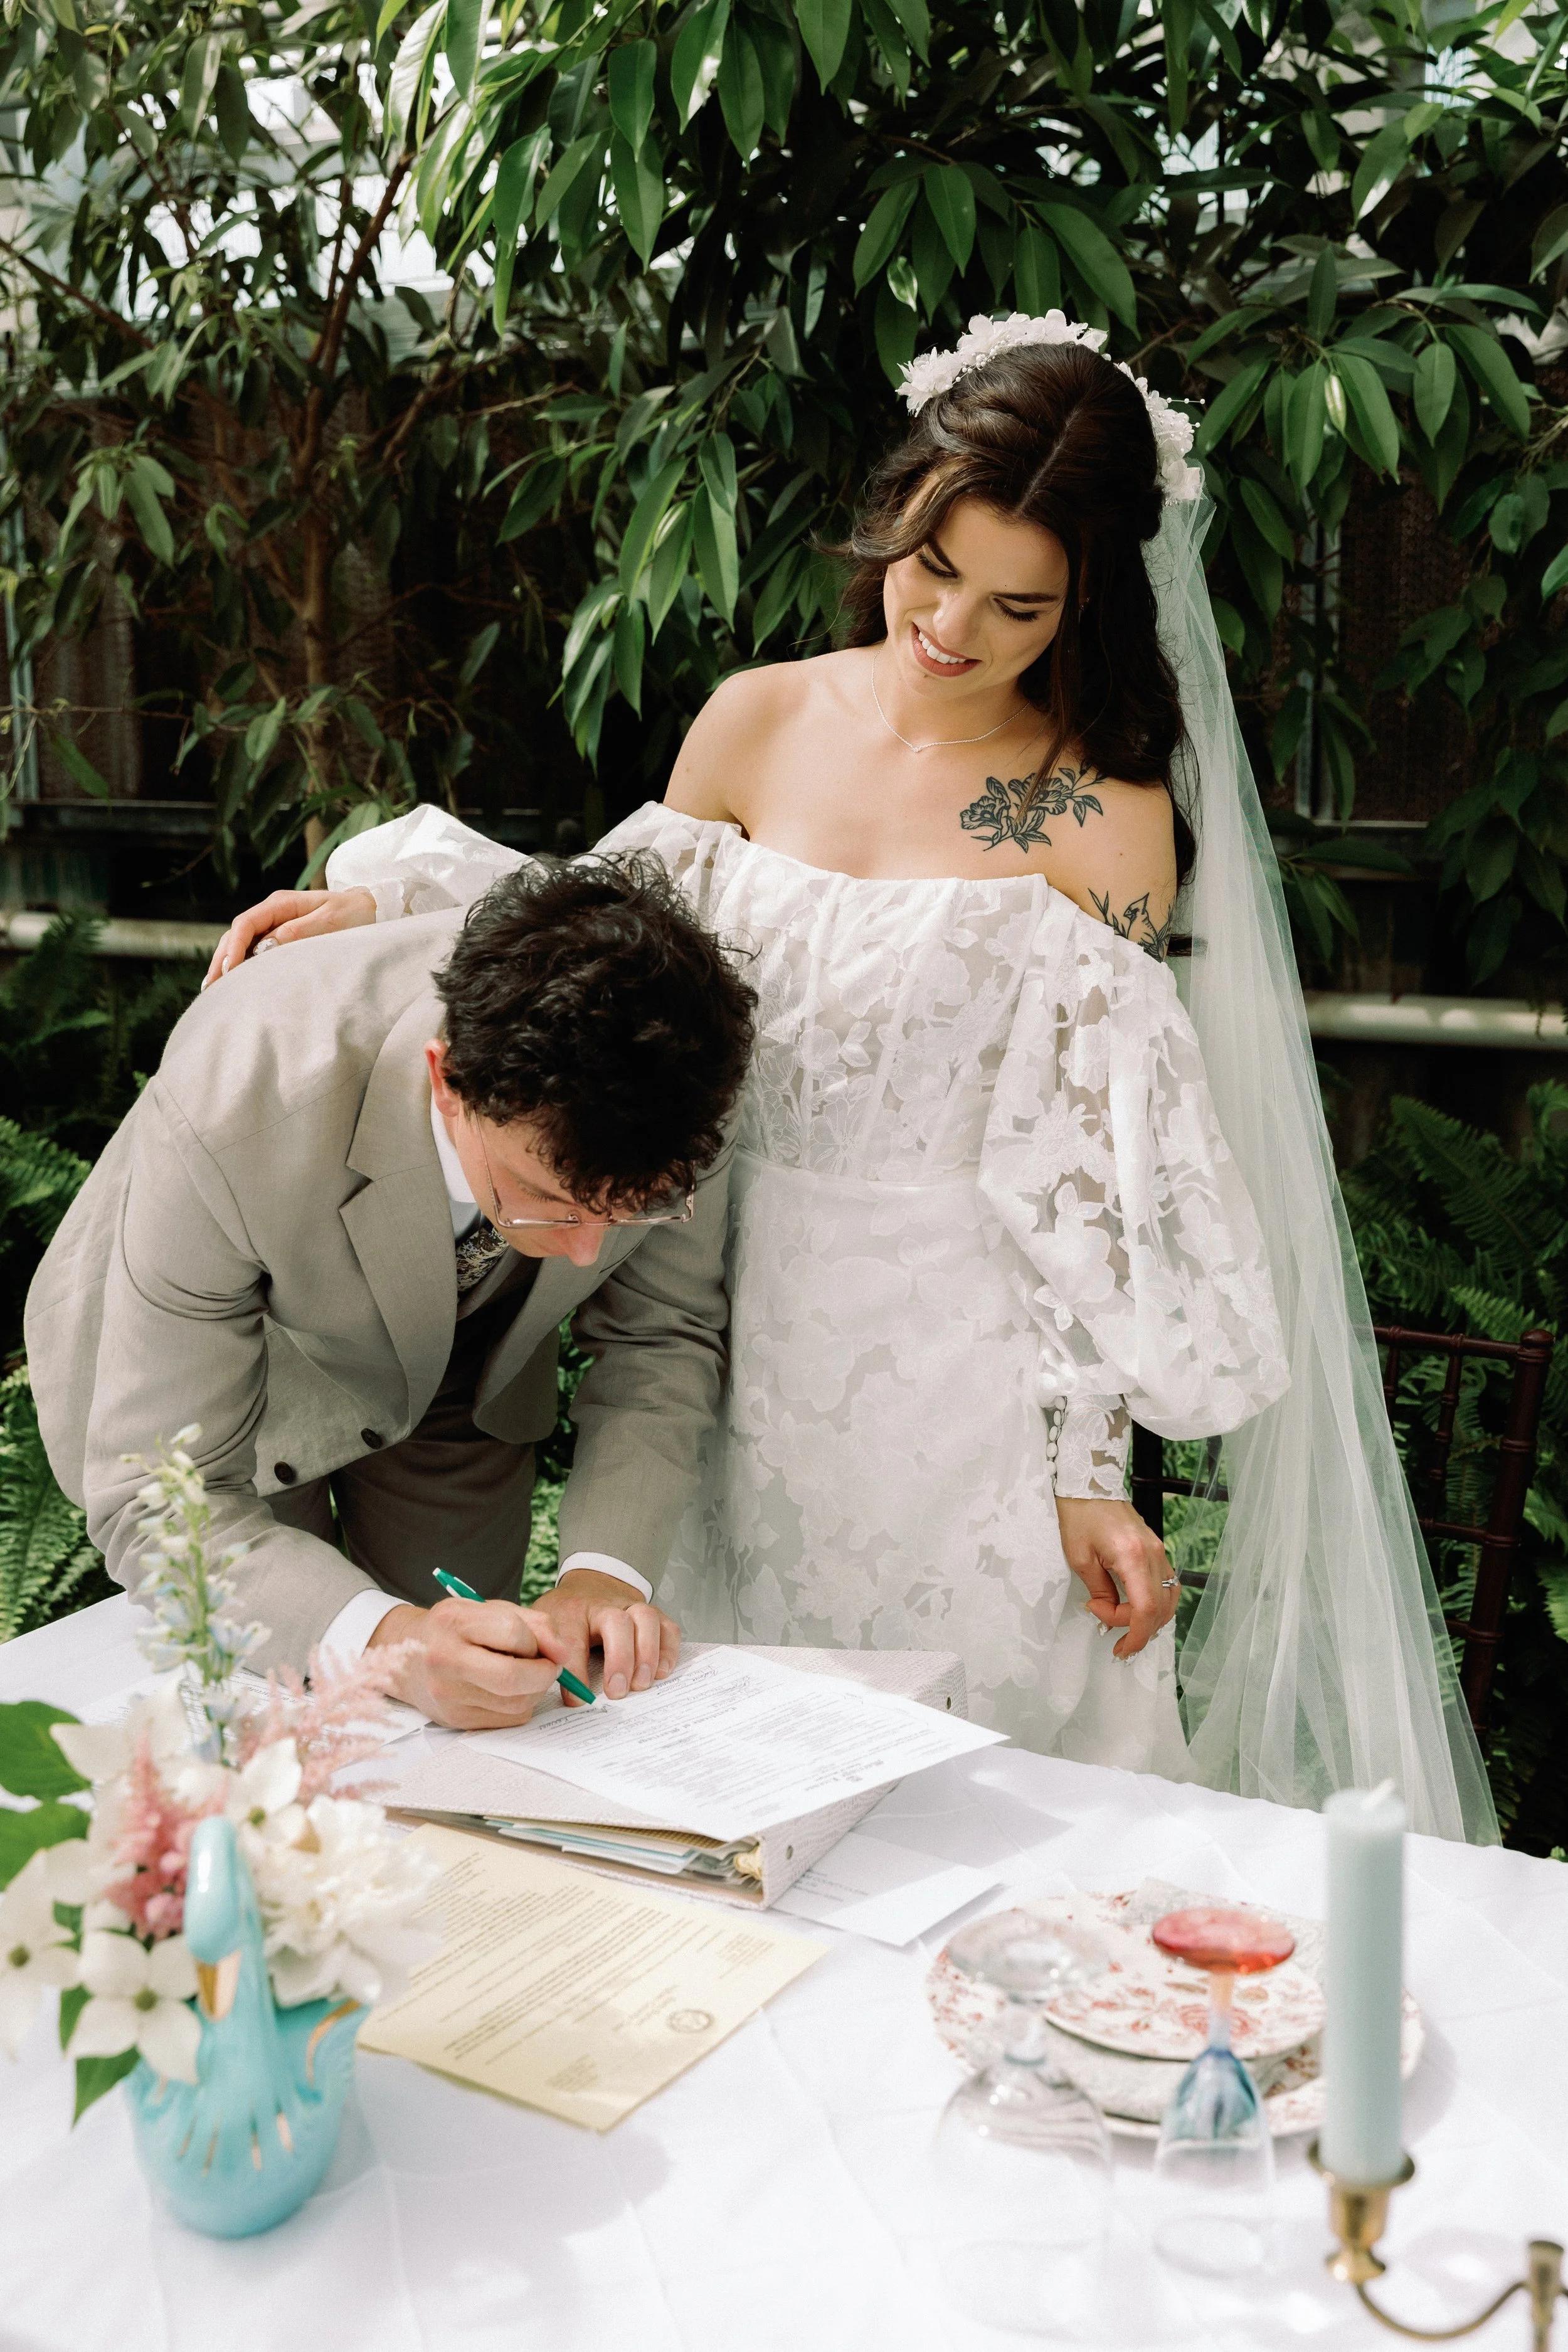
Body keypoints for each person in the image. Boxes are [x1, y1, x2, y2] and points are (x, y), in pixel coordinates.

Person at [208, 312, 1497, 1840]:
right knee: (711, 1788)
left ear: (1082, 607)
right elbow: (614, 953)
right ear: (895, 515)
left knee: (950, 1806)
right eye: (929, 566)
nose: (951, 625)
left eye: (1015, 607)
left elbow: (1091, 1175)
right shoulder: (758, 717)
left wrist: (1086, 1473)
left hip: (953, 1396)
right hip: (714, 1331)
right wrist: (393, 902)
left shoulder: (1099, 818)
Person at [27, 856, 756, 1730]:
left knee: (472, 1702)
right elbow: (164, 1499)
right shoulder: (237, 1101)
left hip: (466, 1368)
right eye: (549, 1197)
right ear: (448, 1081)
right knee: (278, 1694)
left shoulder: (678, 1079)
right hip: (249, 1373)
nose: (592, 1247)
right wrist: (387, 1643)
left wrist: (604, 1575)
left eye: (632, 1208)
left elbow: (658, 1335)